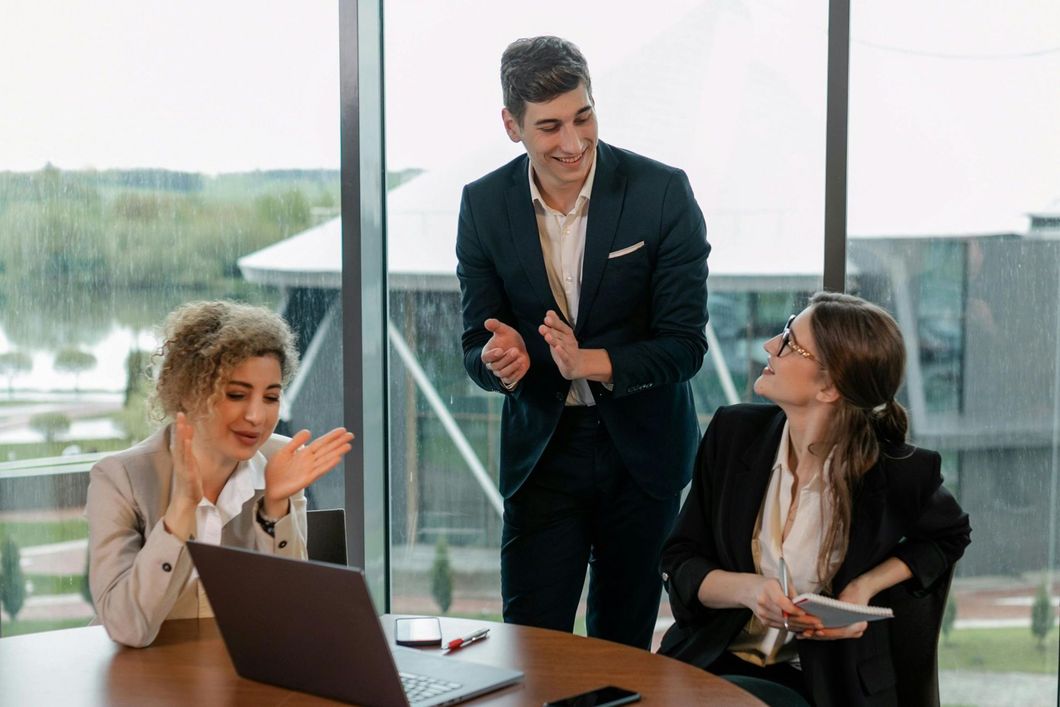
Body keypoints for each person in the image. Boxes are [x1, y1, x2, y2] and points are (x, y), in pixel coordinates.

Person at [456, 35, 710, 649]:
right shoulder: (483, 205)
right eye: (549, 127)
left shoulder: (662, 192)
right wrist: (499, 364)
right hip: (544, 455)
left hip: (642, 455)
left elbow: (685, 345)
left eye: (583, 116)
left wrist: (587, 362)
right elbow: (474, 346)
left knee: (622, 647)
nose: (572, 143)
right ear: (512, 125)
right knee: (531, 644)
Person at [658, 292, 971, 705]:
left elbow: (949, 536)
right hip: (712, 659)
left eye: (789, 341)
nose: (770, 345)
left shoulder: (896, 473)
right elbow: (680, 560)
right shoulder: (733, 435)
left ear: (829, 386)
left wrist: (864, 588)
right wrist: (749, 591)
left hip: (823, 683)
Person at [87, 301, 354, 647]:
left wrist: (276, 506)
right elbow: (129, 629)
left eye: (271, 397)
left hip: (239, 679)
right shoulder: (119, 478)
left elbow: (293, 614)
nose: (257, 416)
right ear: (190, 392)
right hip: (141, 681)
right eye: (237, 395)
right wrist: (182, 509)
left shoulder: (280, 461)